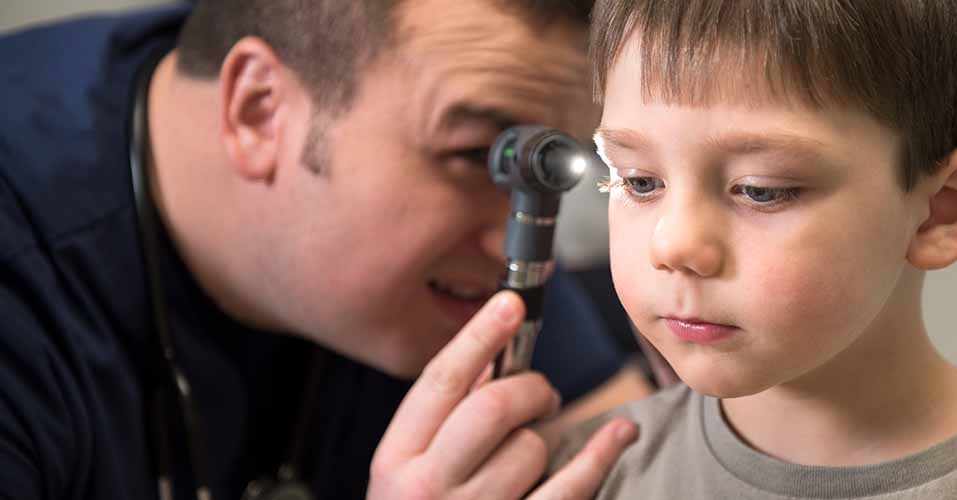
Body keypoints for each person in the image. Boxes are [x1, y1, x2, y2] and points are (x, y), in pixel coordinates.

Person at [0, 1, 652, 499]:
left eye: (541, 166)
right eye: (478, 156)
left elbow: (625, 443)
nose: (514, 233)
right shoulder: (26, 295)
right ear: (258, 110)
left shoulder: (463, 238)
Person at [551, 1, 957, 498]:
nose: (672, 244)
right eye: (637, 181)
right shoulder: (587, 474)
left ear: (941, 209)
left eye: (761, 190)